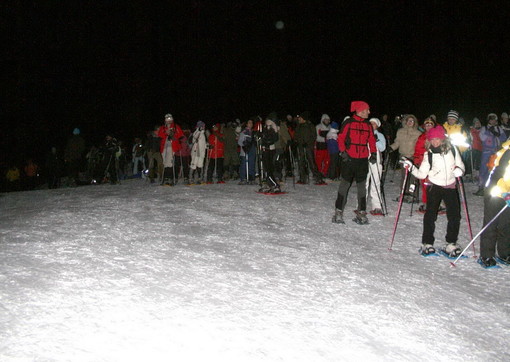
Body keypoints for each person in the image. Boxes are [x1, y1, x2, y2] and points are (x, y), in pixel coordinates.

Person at [402, 125, 465, 256]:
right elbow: (421, 174)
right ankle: (427, 243)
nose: (435, 142)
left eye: (438, 139)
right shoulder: (428, 154)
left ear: (443, 139)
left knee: (455, 216)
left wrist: (460, 170)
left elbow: (461, 165)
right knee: (430, 215)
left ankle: (451, 243)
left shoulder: (452, 150)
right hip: (434, 186)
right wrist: (411, 167)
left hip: (450, 186)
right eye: (432, 139)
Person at [332, 101, 377, 224]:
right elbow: (340, 138)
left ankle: (361, 212)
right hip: (349, 159)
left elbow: (372, 140)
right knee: (344, 185)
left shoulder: (368, 125)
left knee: (362, 187)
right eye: (367, 109)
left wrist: (373, 153)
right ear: (360, 110)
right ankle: (338, 212)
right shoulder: (348, 123)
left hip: (362, 160)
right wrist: (343, 152)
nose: (369, 112)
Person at [478, 140, 510, 267]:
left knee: (506, 223)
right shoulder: (507, 153)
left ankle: (504, 253)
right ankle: (486, 255)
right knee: (491, 223)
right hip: (495, 191)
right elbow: (499, 175)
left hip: (507, 193)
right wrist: (505, 193)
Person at [388, 114, 422, 203]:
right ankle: (404, 194)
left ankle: (413, 195)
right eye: (409, 120)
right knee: (404, 177)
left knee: (413, 178)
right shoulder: (400, 131)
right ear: (405, 121)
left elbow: (420, 146)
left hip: (413, 157)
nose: (410, 122)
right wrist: (391, 148)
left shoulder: (418, 133)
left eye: (412, 121)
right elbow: (397, 142)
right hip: (403, 157)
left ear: (415, 123)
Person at [474, 113, 507, 196]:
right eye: (491, 119)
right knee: (484, 169)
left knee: (495, 170)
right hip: (486, 152)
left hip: (497, 152)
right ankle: (481, 187)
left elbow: (504, 138)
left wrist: (497, 133)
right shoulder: (484, 128)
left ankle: (492, 187)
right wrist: (490, 132)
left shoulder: (499, 128)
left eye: (494, 119)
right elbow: (482, 138)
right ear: (488, 120)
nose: (493, 121)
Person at [413, 116, 437, 212]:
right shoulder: (422, 137)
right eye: (427, 125)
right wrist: (416, 160)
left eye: (430, 125)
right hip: (424, 163)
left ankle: (436, 202)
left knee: (436, 183)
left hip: (436, 163)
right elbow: (417, 149)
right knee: (425, 183)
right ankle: (426, 202)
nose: (428, 127)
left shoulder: (437, 136)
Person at [294, 112, 325, 185]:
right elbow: (296, 135)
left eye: (300, 118)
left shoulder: (310, 126)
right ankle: (302, 178)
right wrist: (296, 141)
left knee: (311, 162)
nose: (299, 119)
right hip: (301, 147)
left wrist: (308, 143)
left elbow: (313, 136)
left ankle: (318, 178)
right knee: (301, 162)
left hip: (308, 147)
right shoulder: (299, 126)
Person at [366, 118, 386, 215]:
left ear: (377, 126)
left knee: (376, 182)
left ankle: (377, 206)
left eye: (374, 124)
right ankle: (360, 205)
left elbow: (382, 148)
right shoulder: (364, 133)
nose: (372, 125)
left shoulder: (380, 135)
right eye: (370, 123)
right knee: (363, 182)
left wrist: (376, 140)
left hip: (376, 161)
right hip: (365, 159)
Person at [157, 113, 184, 186]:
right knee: (165, 162)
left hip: (172, 146)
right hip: (164, 147)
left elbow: (180, 135)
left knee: (170, 162)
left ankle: (170, 178)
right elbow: (159, 135)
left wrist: (173, 134)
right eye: (167, 119)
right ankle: (165, 178)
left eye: (170, 119)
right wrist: (166, 133)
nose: (169, 121)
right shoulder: (163, 127)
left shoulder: (175, 126)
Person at [259, 116, 282, 193]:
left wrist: (265, 139)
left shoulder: (273, 129)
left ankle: (275, 185)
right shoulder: (265, 128)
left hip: (269, 150)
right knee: (266, 168)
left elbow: (274, 139)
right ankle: (269, 185)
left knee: (268, 169)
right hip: (265, 149)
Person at [238, 118, 256, 185]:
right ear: (246, 124)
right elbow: (240, 142)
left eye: (251, 123)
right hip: (245, 150)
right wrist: (244, 145)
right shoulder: (244, 132)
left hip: (252, 150)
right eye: (249, 123)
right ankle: (243, 178)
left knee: (251, 164)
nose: (250, 124)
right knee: (244, 164)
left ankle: (251, 178)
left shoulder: (253, 132)